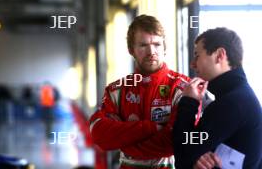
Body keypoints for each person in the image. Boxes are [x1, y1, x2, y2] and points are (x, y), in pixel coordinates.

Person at [89, 14, 212, 169]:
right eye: (143, 45)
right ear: (131, 50)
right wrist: (152, 128)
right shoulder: (117, 90)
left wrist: (125, 141)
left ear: (164, 47)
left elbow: (175, 142)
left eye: (157, 44)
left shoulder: (184, 88)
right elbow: (100, 135)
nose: (151, 51)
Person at [173, 27, 262, 169]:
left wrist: (189, 101)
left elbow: (182, 154)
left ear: (220, 55)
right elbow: (190, 150)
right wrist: (198, 155)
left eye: (197, 56)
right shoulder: (239, 96)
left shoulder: (232, 103)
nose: (192, 64)